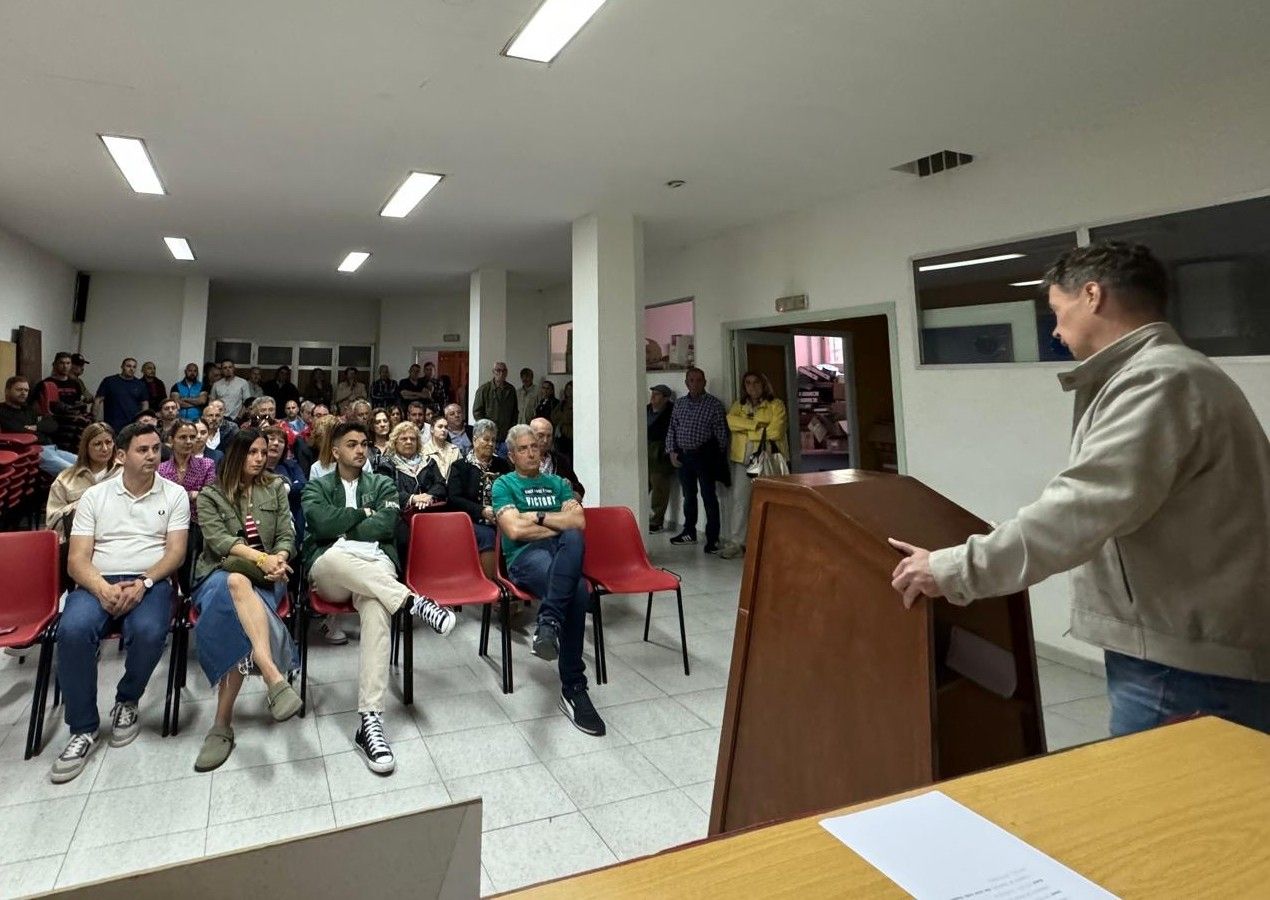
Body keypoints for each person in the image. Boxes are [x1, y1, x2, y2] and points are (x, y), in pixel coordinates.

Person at [889, 242, 1270, 737]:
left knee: (1161, 807)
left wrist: (954, 568)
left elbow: (1078, 510)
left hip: (1181, 662)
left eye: (1056, 310)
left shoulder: (1158, 380)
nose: (1054, 328)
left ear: (1092, 294)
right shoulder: (1172, 372)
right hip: (1188, 645)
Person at [301, 422, 457, 773]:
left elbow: (386, 526)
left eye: (364, 444)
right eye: (352, 444)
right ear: (336, 451)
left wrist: (346, 525)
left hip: (376, 564)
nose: (360, 450)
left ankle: (370, 720)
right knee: (336, 556)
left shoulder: (383, 482)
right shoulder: (317, 486)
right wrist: (360, 516)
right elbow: (319, 524)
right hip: (332, 572)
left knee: (374, 607)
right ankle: (413, 602)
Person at [53, 423, 190, 783]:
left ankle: (127, 699)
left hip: (150, 578)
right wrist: (100, 587)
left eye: (156, 449)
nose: (152, 456)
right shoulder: (95, 497)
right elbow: (77, 559)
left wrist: (144, 582)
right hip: (98, 579)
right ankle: (82, 728)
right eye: (142, 449)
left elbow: (176, 553)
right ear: (121, 455)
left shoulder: (174, 495)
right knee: (72, 631)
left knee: (149, 631)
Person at [190, 428, 303, 771]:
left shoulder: (274, 487)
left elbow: (287, 532)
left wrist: (279, 557)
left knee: (235, 606)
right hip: (218, 574)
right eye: (252, 452)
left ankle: (222, 724)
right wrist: (260, 559)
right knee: (236, 584)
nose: (259, 458)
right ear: (234, 455)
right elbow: (220, 542)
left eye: (262, 452)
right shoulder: (211, 494)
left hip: (270, 577)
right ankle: (273, 675)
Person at [493, 424, 604, 736]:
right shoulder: (504, 485)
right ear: (512, 455)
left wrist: (537, 517)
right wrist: (558, 524)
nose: (532, 452)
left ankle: (549, 622)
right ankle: (574, 688)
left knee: (574, 535)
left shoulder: (558, 483)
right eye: (524, 448)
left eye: (535, 447)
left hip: (562, 552)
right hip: (526, 558)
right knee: (579, 593)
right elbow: (514, 531)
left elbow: (579, 519)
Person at [720, 372, 788, 559]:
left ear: (764, 384)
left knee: (771, 499)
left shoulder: (776, 404)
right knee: (740, 501)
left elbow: (775, 432)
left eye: (756, 382)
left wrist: (748, 429)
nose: (752, 387)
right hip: (743, 459)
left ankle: (772, 540)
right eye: (748, 383)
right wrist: (757, 426)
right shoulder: (739, 405)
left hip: (766, 458)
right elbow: (730, 421)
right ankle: (737, 543)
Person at [665, 367, 730, 554]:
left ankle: (712, 538)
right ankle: (689, 531)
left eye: (699, 380)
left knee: (709, 497)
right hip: (683, 457)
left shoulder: (714, 405)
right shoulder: (680, 404)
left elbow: (721, 436)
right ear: (686, 383)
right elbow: (672, 429)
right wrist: (671, 452)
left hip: (704, 457)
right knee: (688, 496)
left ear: (705, 382)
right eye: (691, 380)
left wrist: (718, 459)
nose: (695, 383)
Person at [446, 419, 511, 578]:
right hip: (472, 520)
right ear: (475, 440)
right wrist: (482, 511)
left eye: (493, 440)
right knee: (488, 535)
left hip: (501, 517)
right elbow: (454, 499)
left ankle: (514, 582)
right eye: (486, 439)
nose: (490, 444)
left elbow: (511, 490)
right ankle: (493, 586)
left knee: (517, 531)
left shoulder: (502, 465)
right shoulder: (460, 466)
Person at [376, 421, 447, 564]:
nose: (409, 441)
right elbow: (386, 493)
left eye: (413, 439)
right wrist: (413, 498)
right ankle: (407, 577)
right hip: (400, 515)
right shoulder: (386, 464)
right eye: (404, 439)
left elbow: (441, 485)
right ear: (395, 442)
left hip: (429, 512)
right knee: (404, 538)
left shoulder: (428, 462)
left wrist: (428, 495)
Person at [45, 423, 119, 540]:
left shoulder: (126, 473)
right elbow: (52, 523)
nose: (105, 448)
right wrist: (81, 505)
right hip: (79, 541)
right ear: (86, 447)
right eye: (97, 444)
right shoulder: (65, 479)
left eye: (108, 442)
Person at [1, 375, 77, 475]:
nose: (23, 393)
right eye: (19, 390)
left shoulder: (29, 410)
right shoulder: (2, 411)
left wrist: (36, 427)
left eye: (26, 390)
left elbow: (52, 425)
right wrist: (38, 429)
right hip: (35, 452)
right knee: (76, 472)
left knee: (88, 461)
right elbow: (18, 430)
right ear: (7, 390)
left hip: (51, 448)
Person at [158, 420, 218, 523]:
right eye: (183, 437)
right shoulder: (161, 469)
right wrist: (192, 495)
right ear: (171, 440)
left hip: (200, 524)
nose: (189, 441)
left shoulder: (207, 465)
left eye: (192, 437)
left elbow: (209, 498)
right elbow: (161, 500)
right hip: (168, 522)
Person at [38, 351, 94, 451]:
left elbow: (80, 401)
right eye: (62, 363)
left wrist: (80, 407)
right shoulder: (46, 383)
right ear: (55, 364)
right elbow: (38, 406)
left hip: (74, 420)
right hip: (56, 421)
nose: (65, 366)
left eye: (68, 363)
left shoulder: (75, 383)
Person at [263, 425, 307, 547]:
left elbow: (302, 486)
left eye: (281, 441)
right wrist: (289, 487)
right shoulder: (255, 468)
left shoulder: (291, 466)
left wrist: (285, 489)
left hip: (291, 519)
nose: (276, 443)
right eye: (271, 439)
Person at [529, 417, 584, 499]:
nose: (545, 440)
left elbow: (579, 489)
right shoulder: (519, 460)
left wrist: (569, 487)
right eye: (540, 436)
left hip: (558, 509)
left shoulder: (560, 460)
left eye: (549, 436)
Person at [646, 385, 675, 533]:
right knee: (644, 485)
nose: (653, 397)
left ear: (665, 398)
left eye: (657, 395)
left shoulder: (671, 412)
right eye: (653, 394)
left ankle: (657, 521)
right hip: (645, 452)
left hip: (661, 454)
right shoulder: (646, 410)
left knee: (659, 488)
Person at [95, 357, 150, 433]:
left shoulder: (140, 384)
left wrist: (144, 421)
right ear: (122, 367)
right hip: (112, 426)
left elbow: (145, 404)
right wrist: (94, 419)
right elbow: (98, 400)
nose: (131, 369)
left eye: (134, 367)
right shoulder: (109, 381)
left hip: (133, 426)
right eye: (128, 366)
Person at [472, 361, 517, 452]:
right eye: (498, 370)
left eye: (504, 371)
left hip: (505, 435)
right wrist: (486, 427)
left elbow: (515, 411)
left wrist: (512, 429)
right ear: (493, 372)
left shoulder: (511, 389)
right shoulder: (484, 389)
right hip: (489, 435)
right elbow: (477, 411)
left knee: (504, 462)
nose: (501, 373)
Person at [422, 415, 461, 481]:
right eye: (440, 427)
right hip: (433, 489)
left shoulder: (455, 450)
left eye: (446, 427)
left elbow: (461, 472)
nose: (443, 430)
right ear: (432, 429)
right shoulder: (423, 450)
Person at [551, 380, 574, 458]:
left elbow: (569, 417)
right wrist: (562, 416)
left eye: (571, 389)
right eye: (567, 388)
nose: (569, 391)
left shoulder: (577, 402)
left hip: (570, 435)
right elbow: (553, 416)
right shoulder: (562, 403)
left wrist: (562, 416)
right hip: (560, 435)